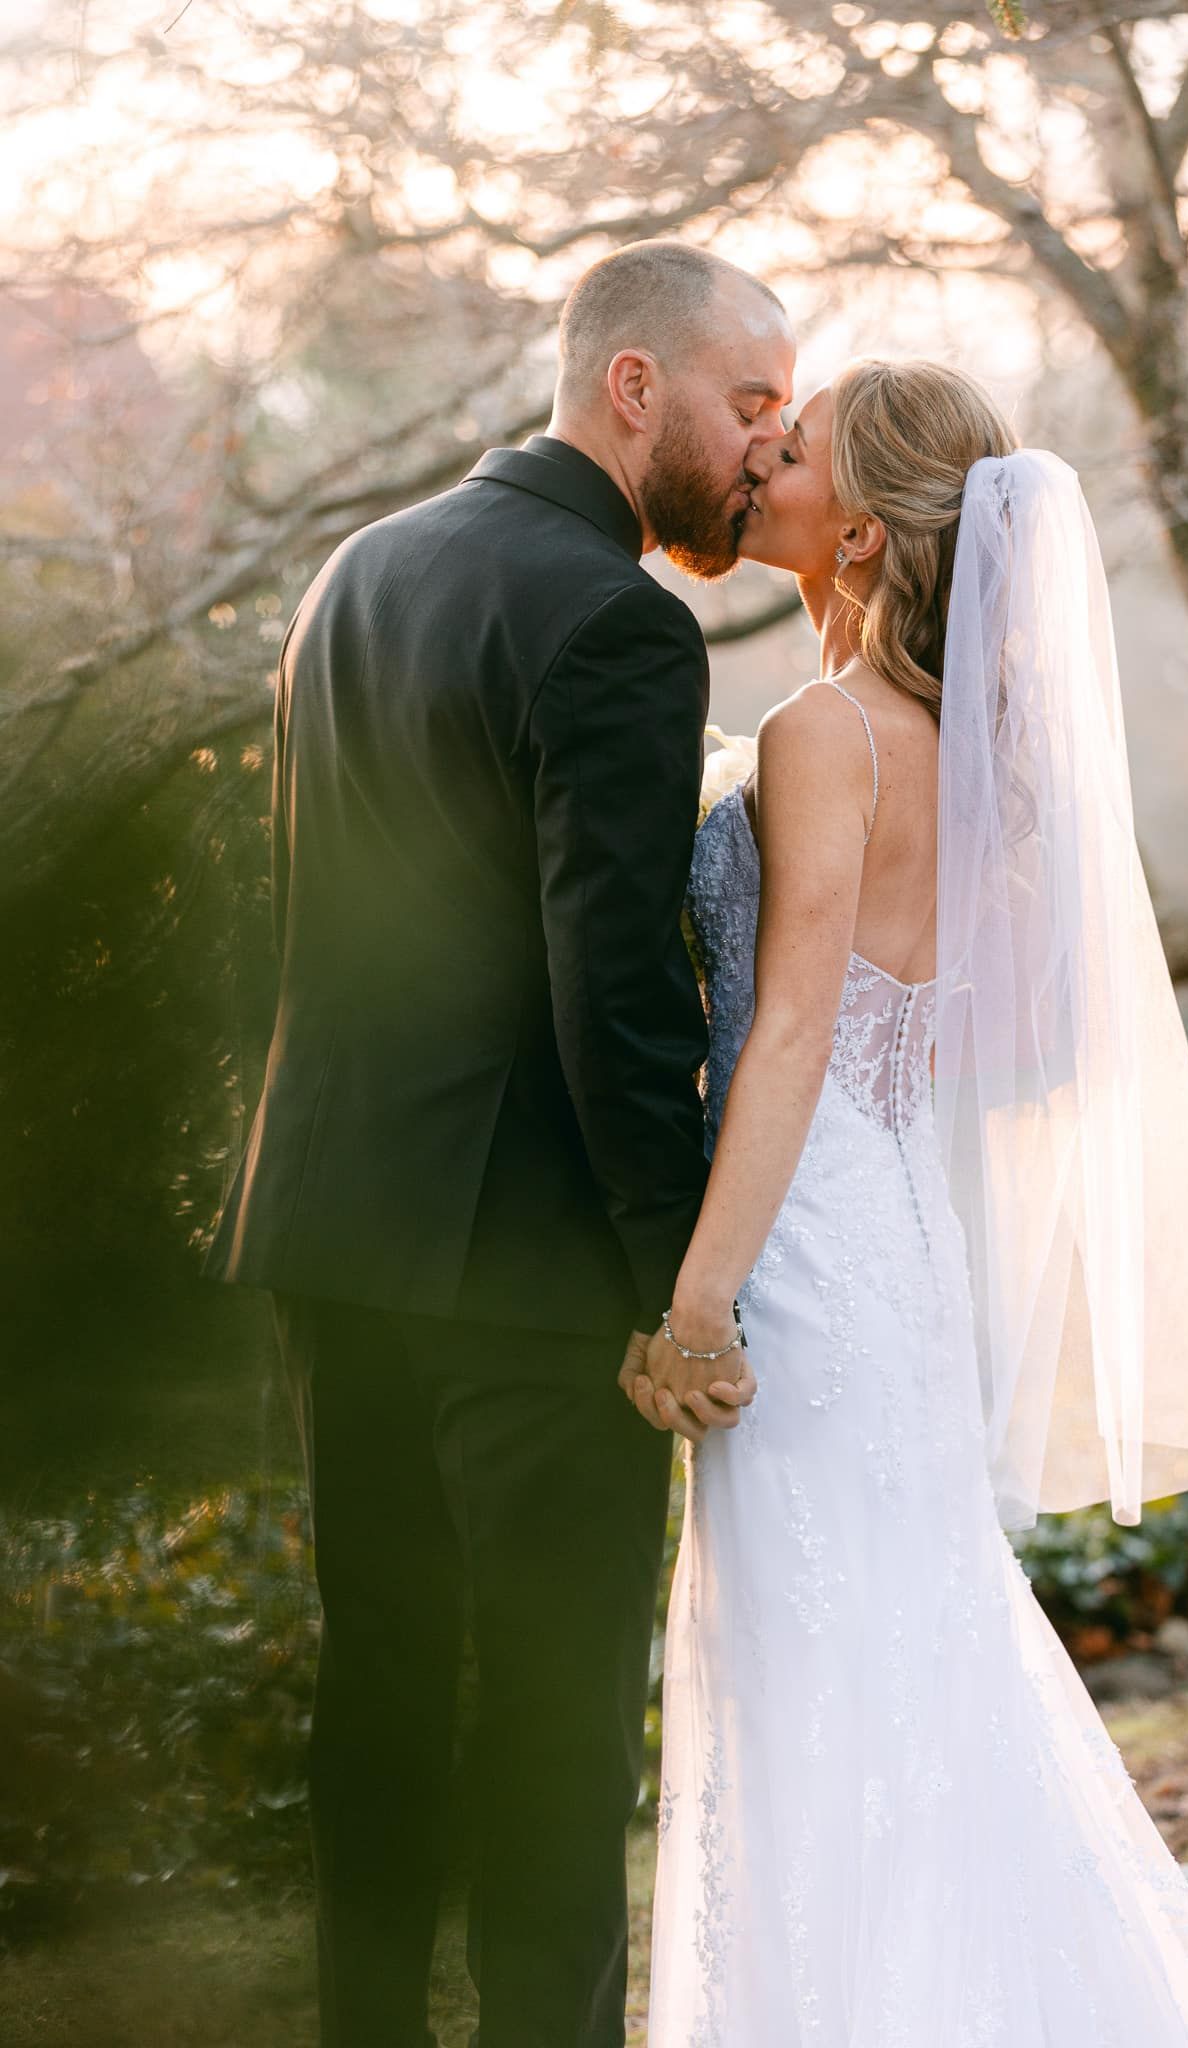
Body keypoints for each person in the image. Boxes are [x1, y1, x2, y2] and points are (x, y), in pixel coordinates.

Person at [639, 358, 1188, 2045]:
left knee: (823, 1690)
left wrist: (698, 1298)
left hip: (801, 1254)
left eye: (791, 451)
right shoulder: (959, 744)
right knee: (905, 1678)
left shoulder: (823, 734)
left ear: (855, 534)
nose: (760, 456)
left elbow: (786, 1033)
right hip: (902, 1257)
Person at [205, 239, 791, 2048]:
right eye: (746, 404)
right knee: (545, 1722)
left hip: (325, 1233)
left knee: (375, 1692)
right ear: (636, 389)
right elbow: (612, 989)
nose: (762, 451)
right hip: (528, 1270)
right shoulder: (615, 620)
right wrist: (666, 1283)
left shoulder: (352, 575)